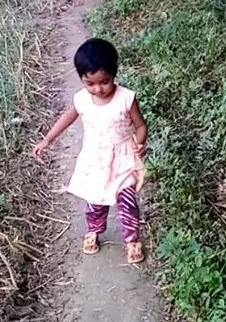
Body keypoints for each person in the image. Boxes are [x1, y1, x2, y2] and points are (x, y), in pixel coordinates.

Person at [33, 38, 147, 264]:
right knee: (95, 202)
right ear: (81, 79)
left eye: (104, 82)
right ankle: (93, 231)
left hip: (122, 159)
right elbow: (66, 118)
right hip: (95, 161)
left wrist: (140, 142)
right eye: (90, 83)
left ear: (114, 73)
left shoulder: (126, 98)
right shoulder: (82, 100)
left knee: (127, 203)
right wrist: (47, 139)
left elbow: (140, 125)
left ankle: (132, 239)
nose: (98, 89)